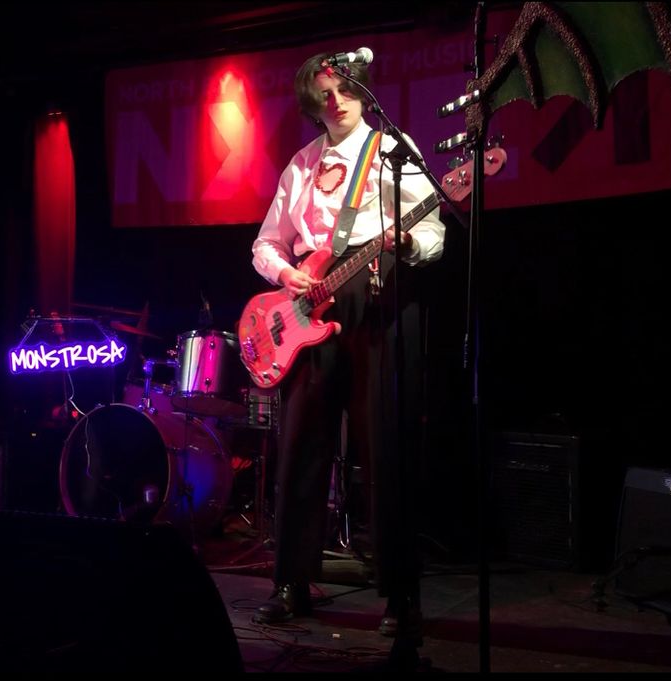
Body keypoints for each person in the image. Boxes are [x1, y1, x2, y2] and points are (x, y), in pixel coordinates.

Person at [249, 52, 445, 637]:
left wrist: (410, 246)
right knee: (301, 447)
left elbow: (432, 228)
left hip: (378, 296)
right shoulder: (301, 163)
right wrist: (289, 277)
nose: (333, 102)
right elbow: (264, 245)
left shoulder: (392, 148)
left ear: (362, 92)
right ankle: (290, 581)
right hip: (310, 306)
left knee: (387, 450)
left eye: (342, 90)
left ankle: (400, 595)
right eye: (322, 94)